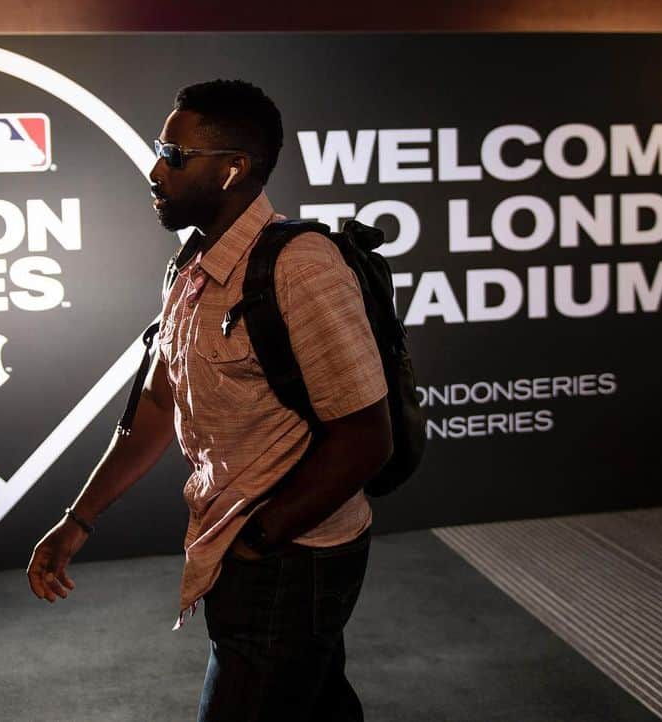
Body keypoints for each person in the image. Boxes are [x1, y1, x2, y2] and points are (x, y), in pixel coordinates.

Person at [27, 79, 393, 722]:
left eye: (173, 154)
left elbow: (366, 437)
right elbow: (155, 408)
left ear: (232, 169)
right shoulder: (190, 268)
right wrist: (78, 519)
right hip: (236, 550)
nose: (154, 169)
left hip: (289, 561)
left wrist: (260, 537)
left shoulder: (300, 266)